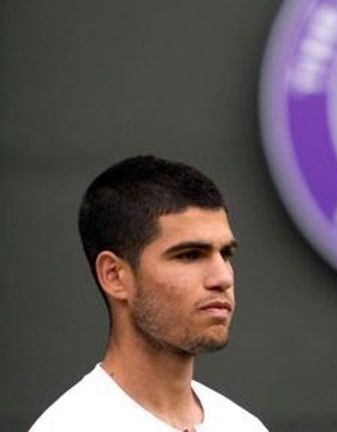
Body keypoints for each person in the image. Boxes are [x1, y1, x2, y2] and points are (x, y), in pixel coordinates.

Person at [29, 155, 269, 432]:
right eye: (190, 255)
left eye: (225, 253)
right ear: (114, 275)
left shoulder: (244, 426)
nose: (223, 278)